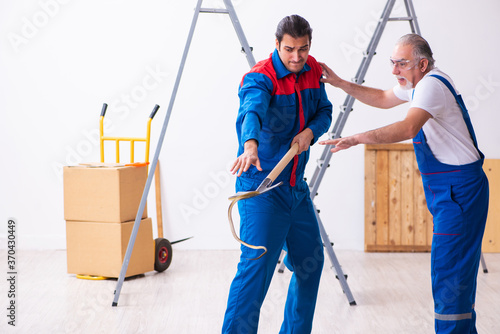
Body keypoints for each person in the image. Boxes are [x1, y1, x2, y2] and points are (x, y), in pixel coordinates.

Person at [319, 34, 489, 334]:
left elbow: (408, 127)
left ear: (422, 64)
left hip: (460, 191)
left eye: (401, 63)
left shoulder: (431, 86)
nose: (395, 70)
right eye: (392, 63)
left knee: (450, 275)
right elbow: (383, 98)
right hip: (451, 191)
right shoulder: (419, 85)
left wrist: (357, 138)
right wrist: (342, 83)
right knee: (455, 273)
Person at [222, 15, 333, 334]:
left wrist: (310, 132)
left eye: (303, 48)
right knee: (255, 274)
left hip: (296, 190)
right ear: (276, 45)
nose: (297, 57)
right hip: (263, 190)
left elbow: (324, 111)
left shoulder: (312, 69)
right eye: (289, 50)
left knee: (310, 263)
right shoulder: (260, 78)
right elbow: (251, 113)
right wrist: (250, 145)